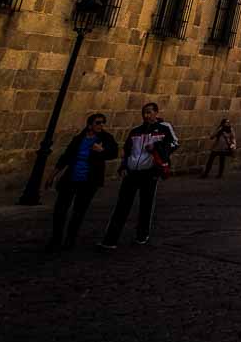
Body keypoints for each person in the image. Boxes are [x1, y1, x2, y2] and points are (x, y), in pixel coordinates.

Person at [99, 102, 178, 249]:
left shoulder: (164, 128)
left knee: (146, 205)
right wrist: (123, 166)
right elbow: (128, 151)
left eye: (149, 112)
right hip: (132, 173)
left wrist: (157, 147)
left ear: (156, 113)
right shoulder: (135, 131)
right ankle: (110, 239)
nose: (146, 115)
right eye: (144, 113)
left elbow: (174, 144)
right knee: (122, 205)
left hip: (149, 173)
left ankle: (142, 235)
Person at [46, 112, 117, 251]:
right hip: (71, 178)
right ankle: (56, 238)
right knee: (60, 209)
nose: (101, 125)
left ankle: (70, 239)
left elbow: (113, 153)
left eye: (103, 122)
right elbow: (66, 157)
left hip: (89, 181)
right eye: (98, 122)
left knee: (78, 211)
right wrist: (52, 175)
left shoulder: (105, 138)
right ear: (89, 125)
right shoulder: (79, 139)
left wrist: (102, 150)